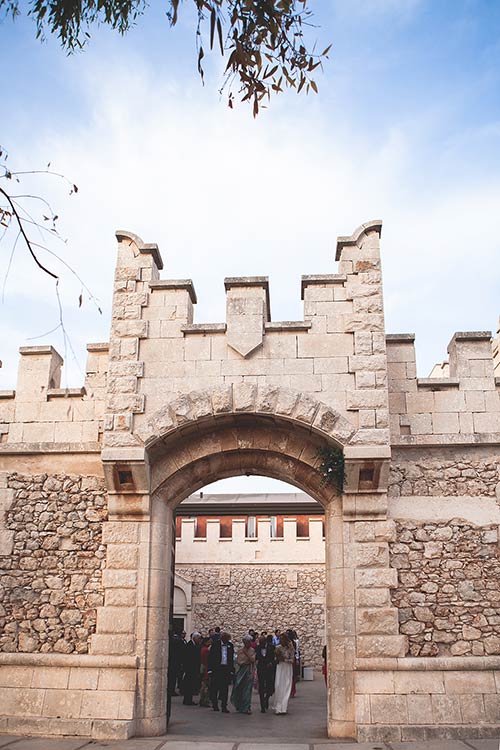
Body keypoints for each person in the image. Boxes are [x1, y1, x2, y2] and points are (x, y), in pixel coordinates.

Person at [208, 630, 235, 712]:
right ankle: (215, 704)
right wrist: (210, 669)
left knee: (224, 689)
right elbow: (211, 657)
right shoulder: (215, 645)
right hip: (217, 669)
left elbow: (231, 658)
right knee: (215, 688)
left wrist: (231, 669)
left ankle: (224, 706)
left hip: (225, 669)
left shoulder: (230, 646)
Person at [230, 634, 255, 714]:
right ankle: (239, 705)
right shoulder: (240, 650)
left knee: (247, 690)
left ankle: (247, 707)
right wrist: (247, 660)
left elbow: (253, 660)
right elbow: (239, 661)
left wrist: (247, 655)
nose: (249, 643)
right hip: (241, 671)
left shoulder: (252, 650)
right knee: (239, 687)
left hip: (249, 670)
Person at [272, 632, 295, 715]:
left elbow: (292, 660)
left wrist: (284, 659)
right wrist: (278, 658)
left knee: (286, 686)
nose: (281, 641)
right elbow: (275, 659)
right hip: (280, 667)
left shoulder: (291, 649)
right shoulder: (277, 648)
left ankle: (284, 707)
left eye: (282, 639)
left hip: (287, 668)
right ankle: (278, 707)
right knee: (278, 686)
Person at [255, 634, 275, 713]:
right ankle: (262, 706)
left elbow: (274, 657)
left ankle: (267, 698)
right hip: (261, 668)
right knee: (261, 687)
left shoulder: (271, 647)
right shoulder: (258, 648)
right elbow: (256, 658)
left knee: (270, 686)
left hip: (269, 669)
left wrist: (271, 663)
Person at [182, 631, 202, 705]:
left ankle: (188, 699)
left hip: (193, 668)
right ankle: (187, 699)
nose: (199, 640)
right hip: (190, 669)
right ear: (194, 638)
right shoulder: (189, 645)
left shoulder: (195, 645)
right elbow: (188, 657)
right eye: (198, 638)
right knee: (188, 685)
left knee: (190, 685)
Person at [199, 636, 212, 707]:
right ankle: (204, 700)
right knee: (206, 686)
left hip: (203, 668)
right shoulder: (206, 650)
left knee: (203, 685)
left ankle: (202, 700)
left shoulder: (202, 649)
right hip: (206, 669)